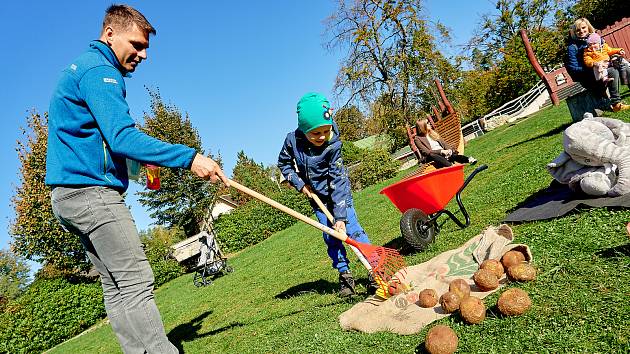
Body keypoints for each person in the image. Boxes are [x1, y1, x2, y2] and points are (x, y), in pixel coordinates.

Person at [46, 5, 228, 353]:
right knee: (136, 281)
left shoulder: (82, 68)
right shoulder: (101, 71)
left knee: (116, 286)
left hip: (67, 198)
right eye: (137, 44)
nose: (143, 55)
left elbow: (98, 140)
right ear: (110, 33)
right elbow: (122, 137)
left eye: (146, 48)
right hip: (92, 195)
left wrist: (138, 165)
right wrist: (190, 158)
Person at [277, 92, 377, 297]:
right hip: (317, 197)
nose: (322, 136)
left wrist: (340, 218)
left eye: (326, 130)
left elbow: (338, 179)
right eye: (315, 133)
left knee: (353, 231)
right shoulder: (292, 142)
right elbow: (284, 165)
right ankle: (345, 277)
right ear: (304, 130)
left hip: (340, 195)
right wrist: (300, 184)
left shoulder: (333, 145)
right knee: (331, 237)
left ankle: (375, 270)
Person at [566, 18, 630, 112]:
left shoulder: (596, 38)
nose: (581, 31)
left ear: (588, 27)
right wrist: (593, 66)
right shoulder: (572, 47)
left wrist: (614, 55)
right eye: (578, 30)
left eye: (583, 28)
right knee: (612, 71)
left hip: (605, 66)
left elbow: (606, 50)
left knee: (621, 61)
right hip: (590, 76)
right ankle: (616, 103)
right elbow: (573, 69)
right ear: (574, 32)